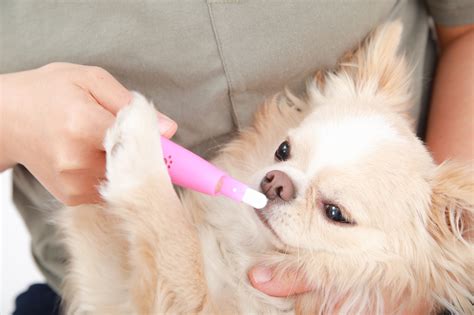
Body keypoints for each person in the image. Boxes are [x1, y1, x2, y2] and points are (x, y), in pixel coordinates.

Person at [1, 1, 473, 313]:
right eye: (286, 154)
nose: (277, 181)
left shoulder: (417, 253)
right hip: (64, 287)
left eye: (334, 211)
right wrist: (13, 118)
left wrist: (418, 283)